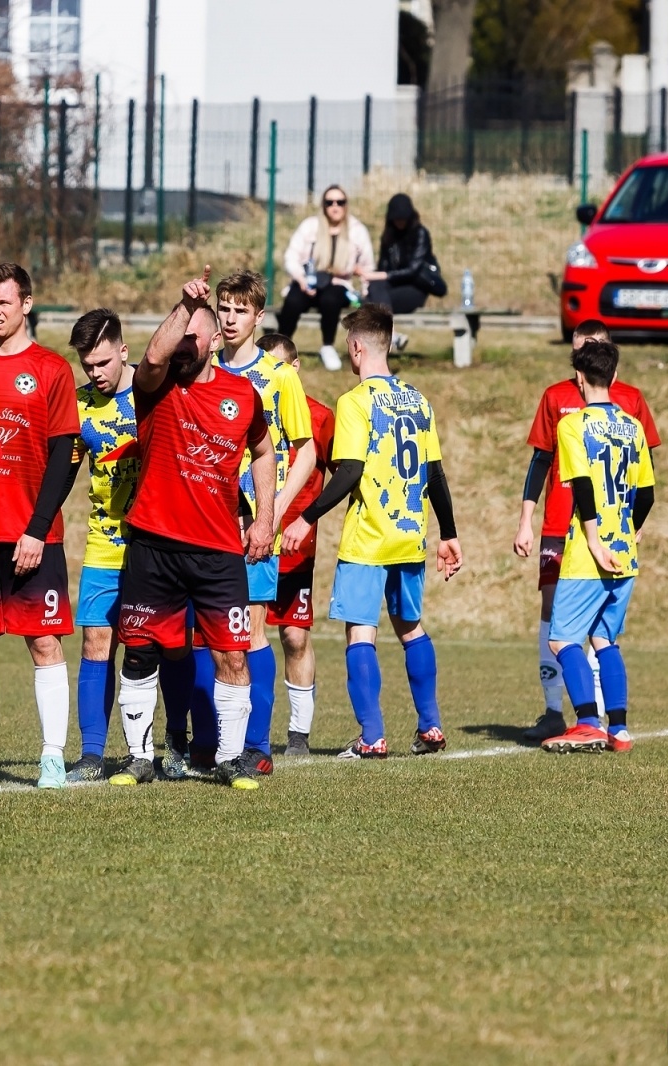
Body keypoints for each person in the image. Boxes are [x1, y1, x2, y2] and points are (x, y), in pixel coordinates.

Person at [107, 267, 276, 791]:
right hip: (154, 544)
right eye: (179, 334)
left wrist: (264, 518)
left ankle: (230, 759)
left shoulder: (242, 395)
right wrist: (183, 306)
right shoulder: (156, 387)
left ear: (213, 340)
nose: (183, 344)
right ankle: (139, 758)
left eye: (193, 337)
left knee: (232, 653)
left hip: (217, 550)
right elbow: (154, 356)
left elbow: (264, 451)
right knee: (140, 648)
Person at [286, 303, 462, 759]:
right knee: (411, 628)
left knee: (361, 634)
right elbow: (435, 473)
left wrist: (307, 517)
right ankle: (431, 726)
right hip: (409, 534)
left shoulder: (355, 402)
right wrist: (448, 533)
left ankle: (372, 736)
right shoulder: (418, 400)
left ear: (357, 347)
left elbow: (349, 471)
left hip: (368, 538)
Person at [188, 271, 315, 777]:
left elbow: (305, 451)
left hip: (255, 527)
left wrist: (274, 511)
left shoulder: (279, 376)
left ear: (258, 316)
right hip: (204, 519)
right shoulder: (202, 366)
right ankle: (206, 742)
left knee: (251, 631)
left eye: (241, 310)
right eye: (224, 307)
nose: (230, 318)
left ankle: (255, 744)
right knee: (204, 632)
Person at [0, 264, 82, 789]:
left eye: (3, 302)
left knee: (45, 644)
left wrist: (37, 528)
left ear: (26, 304)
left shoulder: (52, 370)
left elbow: (63, 457)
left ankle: (52, 758)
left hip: (34, 535)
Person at [514, 319, 661, 740]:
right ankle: (618, 728)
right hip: (616, 543)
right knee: (602, 637)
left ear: (582, 373)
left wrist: (594, 539)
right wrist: (630, 528)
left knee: (562, 638)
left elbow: (582, 487)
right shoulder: (628, 424)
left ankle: (587, 721)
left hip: (585, 543)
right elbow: (647, 492)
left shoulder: (577, 423)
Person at [66, 308, 140, 783]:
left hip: (156, 545)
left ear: (124, 352)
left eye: (103, 363)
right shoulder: (80, 405)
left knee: (156, 646)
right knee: (95, 642)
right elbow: (63, 470)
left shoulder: (153, 392)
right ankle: (92, 755)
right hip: (103, 542)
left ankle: (170, 748)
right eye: (87, 365)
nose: (95, 373)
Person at [258, 332, 337, 757]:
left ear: (295, 367)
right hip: (249, 545)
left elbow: (344, 474)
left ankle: (298, 736)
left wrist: (309, 520)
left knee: (294, 637)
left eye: (278, 367)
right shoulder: (248, 410)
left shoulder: (318, 417)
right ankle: (242, 732)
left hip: (294, 552)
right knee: (242, 637)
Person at [277, 184, 374, 372]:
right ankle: (280, 346)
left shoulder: (357, 230)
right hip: (309, 281)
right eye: (329, 202)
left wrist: (366, 293)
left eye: (340, 202)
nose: (335, 206)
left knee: (331, 299)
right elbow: (291, 256)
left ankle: (327, 346)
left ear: (346, 205)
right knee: (293, 300)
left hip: (339, 283)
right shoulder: (310, 226)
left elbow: (367, 266)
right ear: (323, 205)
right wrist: (301, 279)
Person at [364, 193, 443, 353]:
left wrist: (384, 276)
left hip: (415, 289)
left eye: (403, 218)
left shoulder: (420, 234)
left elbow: (413, 270)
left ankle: (388, 337)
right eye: (396, 219)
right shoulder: (388, 237)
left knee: (370, 302)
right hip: (390, 291)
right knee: (374, 292)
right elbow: (383, 266)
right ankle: (392, 336)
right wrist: (377, 278)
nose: (400, 222)